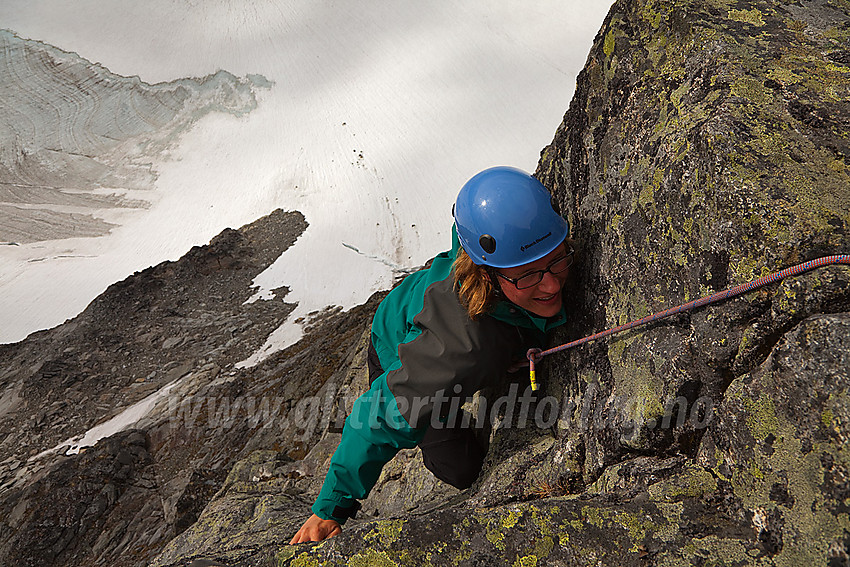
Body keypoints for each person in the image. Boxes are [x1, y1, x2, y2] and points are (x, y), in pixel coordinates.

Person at [290, 166, 573, 544]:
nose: (552, 283)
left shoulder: (513, 246)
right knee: (461, 469)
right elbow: (377, 418)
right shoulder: (459, 349)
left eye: (558, 261)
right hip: (397, 342)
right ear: (486, 274)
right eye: (528, 276)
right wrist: (330, 509)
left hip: (435, 310)